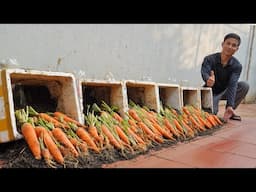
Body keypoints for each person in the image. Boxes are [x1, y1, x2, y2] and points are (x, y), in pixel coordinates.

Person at [201, 33, 249, 122]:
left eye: (234, 45)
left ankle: (230, 111)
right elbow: (205, 72)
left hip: (225, 91)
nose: (230, 47)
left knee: (244, 85)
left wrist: (230, 105)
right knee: (211, 114)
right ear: (223, 44)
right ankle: (210, 106)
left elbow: (233, 85)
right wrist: (208, 79)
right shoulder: (209, 59)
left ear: (237, 49)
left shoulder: (237, 65)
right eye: (228, 43)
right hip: (211, 91)